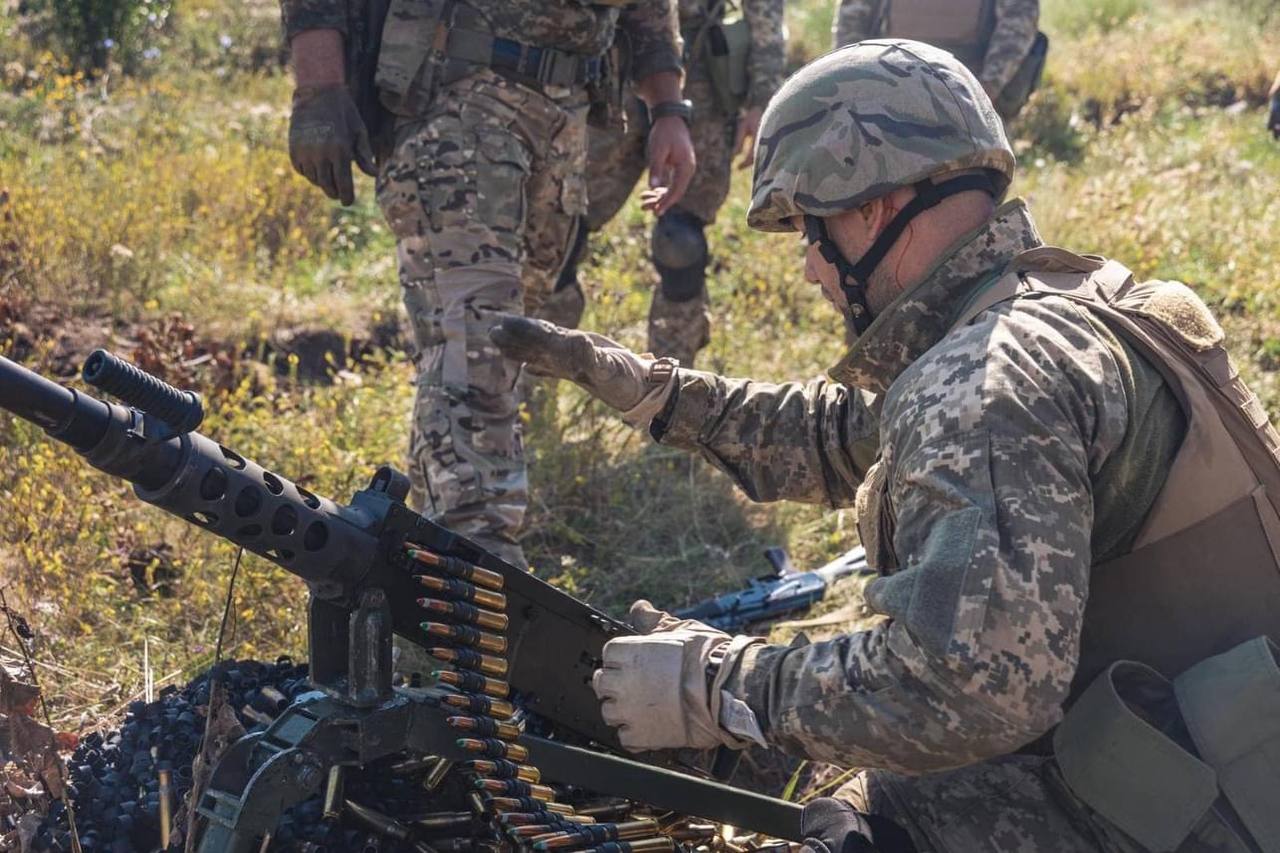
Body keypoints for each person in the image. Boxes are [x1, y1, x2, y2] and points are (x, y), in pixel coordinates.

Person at [490, 40, 1280, 852]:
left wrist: (722, 685)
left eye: (809, 230)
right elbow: (851, 437)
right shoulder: (1062, 305)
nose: (809, 270)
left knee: (858, 824)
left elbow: (966, 691)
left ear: (870, 206)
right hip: (1220, 744)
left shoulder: (987, 379)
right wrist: (661, 396)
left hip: (1203, 809)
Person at [280, 0, 696, 569]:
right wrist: (318, 86)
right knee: (477, 339)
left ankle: (428, 571)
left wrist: (669, 106)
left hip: (564, 121)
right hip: (457, 98)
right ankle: (479, 570)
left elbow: (650, 10)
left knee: (500, 345)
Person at [551, 0, 786, 368]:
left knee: (680, 242)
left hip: (701, 79)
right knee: (561, 228)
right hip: (612, 67)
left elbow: (766, 12)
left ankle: (669, 389)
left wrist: (762, 99)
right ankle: (542, 365)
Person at [833, 0, 1043, 121]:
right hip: (887, 88)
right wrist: (856, 83)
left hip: (969, 93)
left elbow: (1018, 23)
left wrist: (986, 90)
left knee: (972, 188)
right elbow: (852, 21)